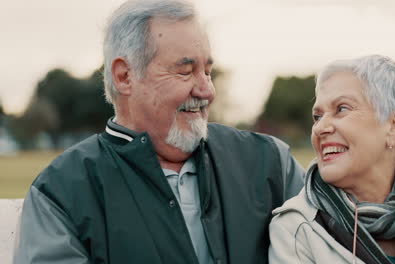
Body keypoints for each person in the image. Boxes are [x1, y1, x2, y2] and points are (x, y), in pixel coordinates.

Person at [13, 1, 305, 263]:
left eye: (207, 71)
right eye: (185, 71)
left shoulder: (270, 164)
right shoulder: (60, 192)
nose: (207, 90)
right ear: (124, 76)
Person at [269, 55, 395, 264]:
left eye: (341, 109)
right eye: (317, 116)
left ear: (394, 126)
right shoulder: (296, 230)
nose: (319, 127)